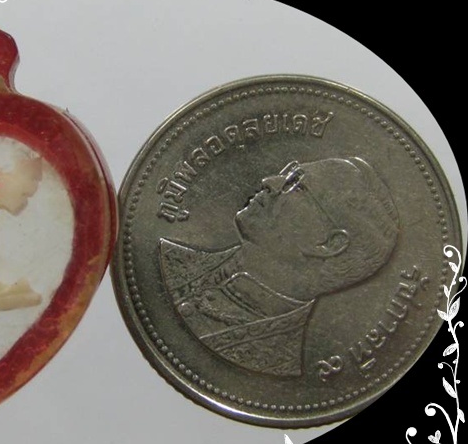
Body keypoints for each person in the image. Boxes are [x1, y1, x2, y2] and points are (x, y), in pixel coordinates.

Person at [159, 157, 399, 377]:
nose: (269, 181)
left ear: (328, 243)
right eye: (288, 172)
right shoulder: (168, 258)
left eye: (297, 185)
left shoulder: (271, 366)